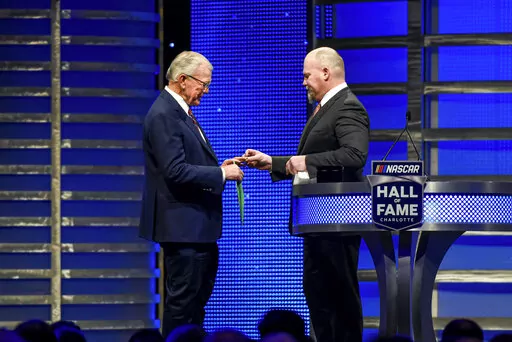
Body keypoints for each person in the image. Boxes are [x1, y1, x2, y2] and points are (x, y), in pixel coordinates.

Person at [243, 47, 369, 342]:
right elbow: (316, 159)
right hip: (318, 221)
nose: (303, 82)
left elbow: (354, 155)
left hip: (336, 222)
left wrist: (307, 161)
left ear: (325, 73)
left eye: (306, 75)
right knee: (320, 298)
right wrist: (272, 162)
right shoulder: (329, 107)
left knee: (339, 301)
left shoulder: (348, 107)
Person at [139, 50, 244, 338]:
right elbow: (174, 171)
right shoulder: (163, 114)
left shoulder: (179, 113)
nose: (206, 91)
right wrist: (222, 175)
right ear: (182, 80)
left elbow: (185, 164)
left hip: (196, 229)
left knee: (195, 307)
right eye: (203, 84)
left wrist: (217, 167)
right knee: (183, 306)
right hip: (183, 229)